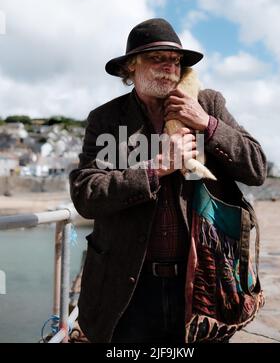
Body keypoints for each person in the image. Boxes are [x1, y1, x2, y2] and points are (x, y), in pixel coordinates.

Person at [69, 18, 267, 343]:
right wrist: (155, 168)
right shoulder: (106, 119)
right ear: (130, 68)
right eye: (156, 58)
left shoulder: (206, 105)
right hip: (127, 286)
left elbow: (256, 168)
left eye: (175, 61)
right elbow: (86, 194)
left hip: (199, 280)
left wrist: (208, 125)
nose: (169, 68)